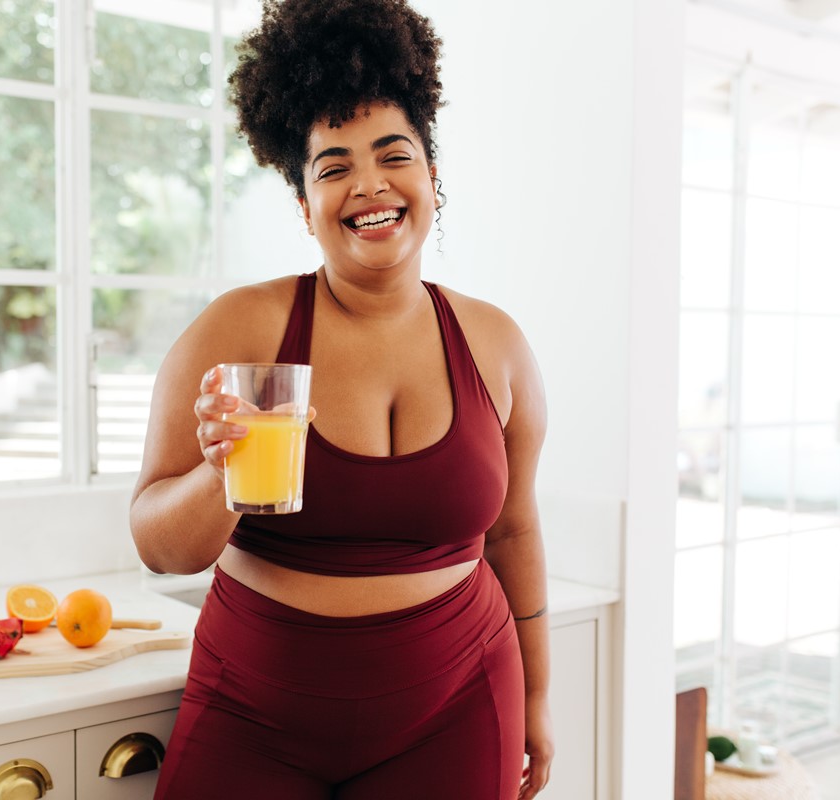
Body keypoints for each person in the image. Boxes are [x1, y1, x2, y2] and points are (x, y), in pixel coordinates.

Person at [130, 1, 552, 797]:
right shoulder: (241, 328)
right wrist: (218, 476)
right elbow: (158, 546)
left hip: (459, 703)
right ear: (303, 205)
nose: (369, 185)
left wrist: (539, 695)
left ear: (431, 174)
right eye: (332, 168)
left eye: (394, 154)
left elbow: (517, 531)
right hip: (254, 712)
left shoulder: (496, 344)